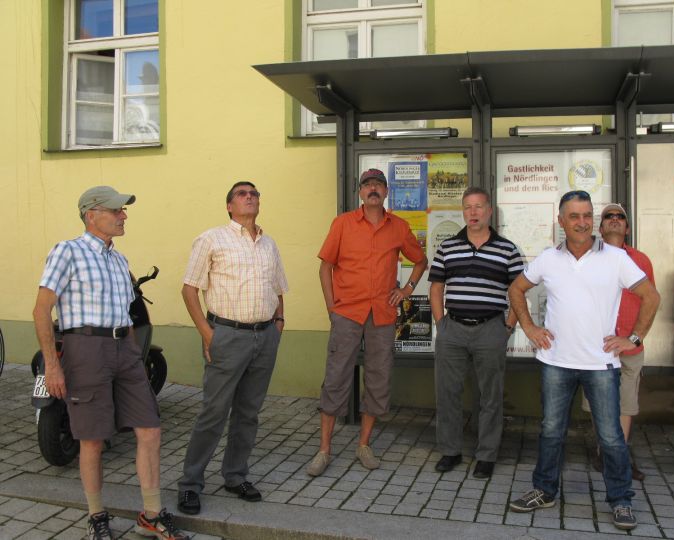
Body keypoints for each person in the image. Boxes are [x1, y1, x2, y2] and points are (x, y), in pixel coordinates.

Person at [33, 186, 187, 540]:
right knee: (93, 438)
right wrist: (53, 366)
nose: (124, 216)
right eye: (116, 210)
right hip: (85, 349)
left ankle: (151, 515)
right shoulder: (67, 251)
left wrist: (133, 353)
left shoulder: (119, 260)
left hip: (124, 350)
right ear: (91, 214)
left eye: (123, 210)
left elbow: (127, 314)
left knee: (150, 429)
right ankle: (96, 516)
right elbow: (41, 310)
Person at [506, 190, 660, 531]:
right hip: (556, 362)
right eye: (574, 216)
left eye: (587, 215)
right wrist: (529, 327)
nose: (582, 222)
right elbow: (516, 289)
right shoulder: (549, 258)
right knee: (550, 431)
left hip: (601, 365)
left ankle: (621, 500)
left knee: (611, 437)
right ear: (561, 221)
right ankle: (544, 490)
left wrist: (633, 338)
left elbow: (651, 296)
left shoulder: (616, 258)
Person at [307, 168, 428, 476]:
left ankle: (364, 444)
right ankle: (324, 450)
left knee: (378, 376)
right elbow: (325, 268)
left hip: (382, 314)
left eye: (378, 185)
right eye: (367, 185)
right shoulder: (343, 223)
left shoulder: (398, 227)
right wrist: (331, 307)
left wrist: (406, 290)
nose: (373, 189)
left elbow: (420, 261)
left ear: (386, 192)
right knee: (336, 376)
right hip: (347, 312)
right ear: (360, 192)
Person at [176, 181, 288, 514]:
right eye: (242, 194)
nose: (249, 197)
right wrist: (207, 334)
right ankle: (190, 484)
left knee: (248, 413)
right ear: (229, 206)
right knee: (214, 412)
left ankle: (235, 475)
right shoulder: (211, 239)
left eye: (254, 194)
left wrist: (279, 322)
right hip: (226, 335)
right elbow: (189, 290)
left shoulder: (268, 244)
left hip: (264, 336)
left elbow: (278, 287)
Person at [428, 186, 523, 479]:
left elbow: (518, 292)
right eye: (468, 207)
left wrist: (507, 327)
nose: (473, 212)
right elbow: (436, 288)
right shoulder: (447, 247)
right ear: (463, 211)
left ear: (489, 211)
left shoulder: (507, 249)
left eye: (479, 206)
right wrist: (441, 324)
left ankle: (486, 455)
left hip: (491, 329)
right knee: (447, 393)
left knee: (490, 396)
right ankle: (450, 451)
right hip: (453, 329)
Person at [582, 203, 655, 481]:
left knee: (625, 404)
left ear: (627, 227)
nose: (614, 219)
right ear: (600, 228)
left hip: (629, 346)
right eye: (608, 217)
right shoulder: (588, 257)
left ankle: (618, 457)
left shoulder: (641, 260)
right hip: (597, 345)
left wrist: (633, 338)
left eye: (620, 217)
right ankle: (604, 452)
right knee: (598, 402)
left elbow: (651, 301)